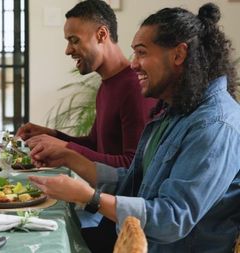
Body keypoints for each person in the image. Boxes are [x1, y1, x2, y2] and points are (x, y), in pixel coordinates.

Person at [29, 3, 240, 252]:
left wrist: (89, 197)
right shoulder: (175, 111)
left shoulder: (214, 125)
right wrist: (69, 159)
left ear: (178, 55)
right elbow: (135, 181)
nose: (133, 64)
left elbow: (171, 219)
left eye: (141, 53)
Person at [16, 0, 156, 168]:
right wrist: (53, 135)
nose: (68, 50)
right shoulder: (107, 84)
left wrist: (66, 149)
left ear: (101, 35)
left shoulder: (134, 87)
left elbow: (134, 166)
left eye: (74, 40)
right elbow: (94, 145)